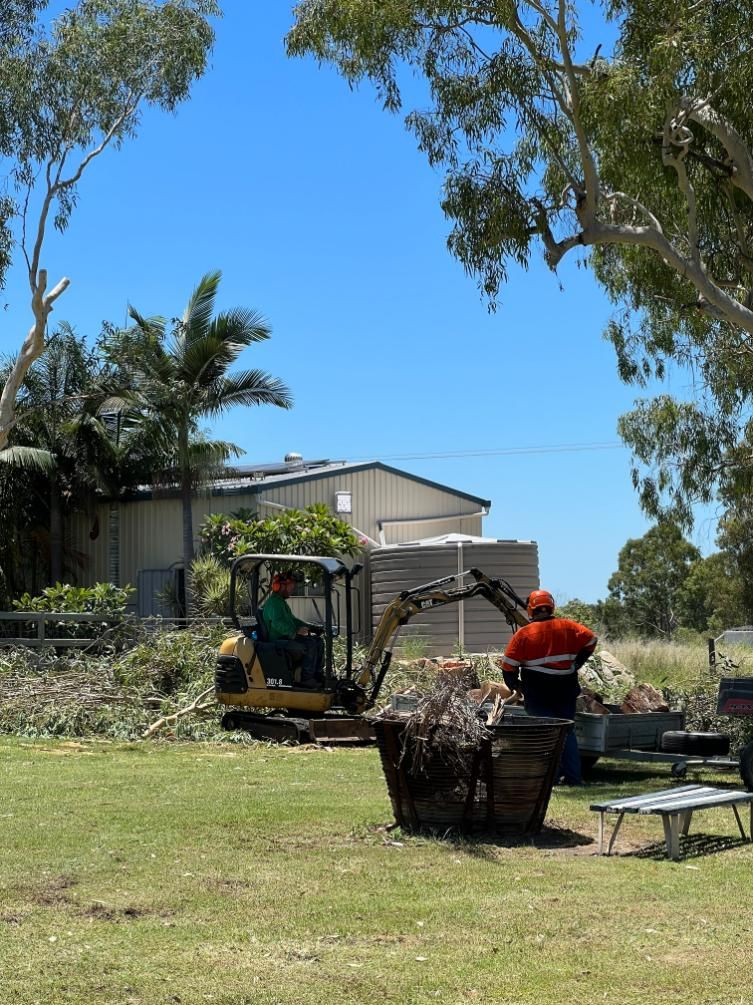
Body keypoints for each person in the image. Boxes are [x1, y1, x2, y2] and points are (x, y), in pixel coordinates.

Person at [500, 589, 597, 785]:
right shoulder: (569, 627)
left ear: (530, 610)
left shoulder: (524, 634)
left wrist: (516, 685)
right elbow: (591, 640)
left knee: (544, 734)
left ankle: (548, 779)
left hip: (538, 691)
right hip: (565, 688)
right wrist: (577, 663)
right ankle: (573, 778)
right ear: (551, 606)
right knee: (566, 732)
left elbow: (508, 665)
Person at [262, 571, 324, 688]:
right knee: (310, 644)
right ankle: (306, 679)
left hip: (286, 638)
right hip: (278, 641)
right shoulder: (274, 603)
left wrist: (312, 627)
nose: (292, 589)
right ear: (281, 586)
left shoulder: (281, 603)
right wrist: (294, 632)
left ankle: (318, 675)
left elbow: (293, 620)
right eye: (291, 587)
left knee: (318, 642)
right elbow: (277, 623)